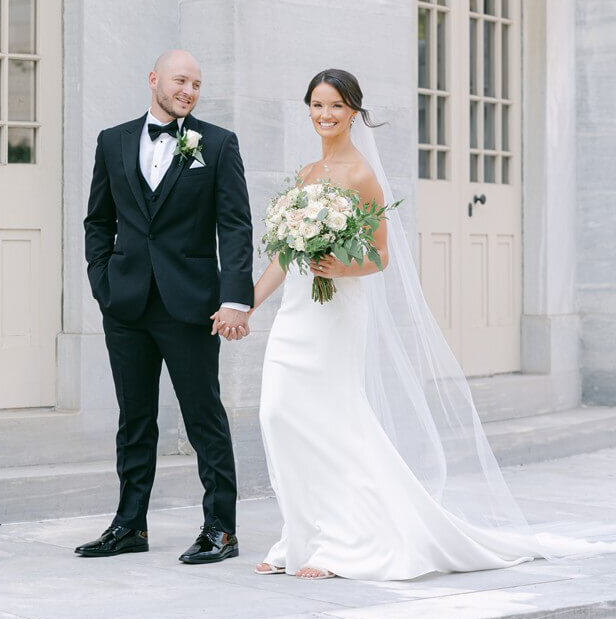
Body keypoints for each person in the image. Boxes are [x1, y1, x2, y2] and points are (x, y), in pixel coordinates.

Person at [247, 67, 616, 581]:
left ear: (354, 110)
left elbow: (379, 256)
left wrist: (339, 266)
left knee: (332, 422)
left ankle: (341, 543)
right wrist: (246, 305)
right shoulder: (307, 174)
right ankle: (301, 533)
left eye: (334, 105)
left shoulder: (360, 175)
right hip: (297, 311)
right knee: (278, 416)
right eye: (316, 105)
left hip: (335, 315)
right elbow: (284, 256)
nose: (324, 115)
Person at [76, 50, 253, 565]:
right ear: (154, 79)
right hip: (126, 303)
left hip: (190, 305)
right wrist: (101, 280)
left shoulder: (217, 144)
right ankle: (129, 525)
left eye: (197, 84)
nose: (189, 91)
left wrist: (234, 297)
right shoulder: (113, 141)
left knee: (204, 419)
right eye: (181, 81)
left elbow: (235, 226)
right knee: (134, 420)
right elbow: (97, 220)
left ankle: (221, 529)